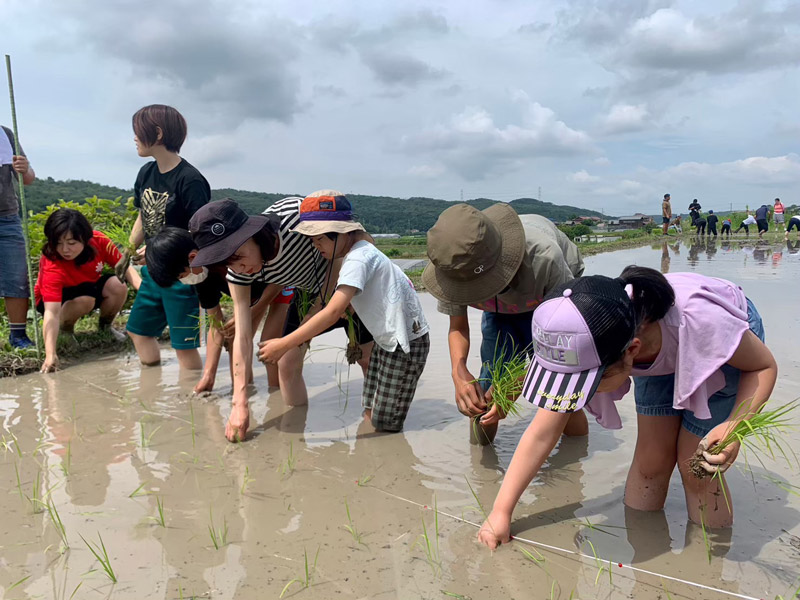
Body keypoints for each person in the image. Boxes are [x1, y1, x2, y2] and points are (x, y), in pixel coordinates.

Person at [477, 267, 776, 549]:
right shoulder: (597, 335)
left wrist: (734, 427)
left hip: (719, 348)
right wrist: (501, 512)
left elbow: (763, 366)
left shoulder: (702, 322)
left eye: (584, 383)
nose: (575, 394)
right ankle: (643, 549)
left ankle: (709, 566)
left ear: (630, 352)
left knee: (696, 465)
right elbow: (542, 432)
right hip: (656, 349)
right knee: (650, 461)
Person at [187, 197, 374, 442]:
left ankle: (372, 423)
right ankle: (296, 430)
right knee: (286, 364)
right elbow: (243, 336)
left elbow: (353, 238)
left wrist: (320, 306)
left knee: (366, 359)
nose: (240, 268)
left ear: (252, 234)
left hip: (351, 287)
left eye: (240, 255)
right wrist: (239, 404)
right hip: (308, 292)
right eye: (227, 262)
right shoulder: (238, 273)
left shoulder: (295, 218)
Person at [259, 191, 429, 432]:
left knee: (386, 420)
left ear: (341, 232)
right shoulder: (359, 251)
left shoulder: (356, 260)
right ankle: (370, 445)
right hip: (389, 338)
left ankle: (388, 458)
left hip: (404, 342)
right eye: (312, 239)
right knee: (371, 402)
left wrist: (284, 343)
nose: (315, 246)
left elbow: (332, 311)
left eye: (319, 239)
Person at [422, 204, 587, 445]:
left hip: (550, 301)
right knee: (484, 394)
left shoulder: (545, 259)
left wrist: (515, 385)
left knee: (559, 392)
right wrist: (458, 372)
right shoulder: (453, 267)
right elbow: (457, 326)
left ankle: (577, 457)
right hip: (500, 311)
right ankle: (481, 466)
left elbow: (563, 343)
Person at [144, 226, 294, 393]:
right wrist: (208, 374)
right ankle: (244, 393)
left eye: (181, 276)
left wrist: (249, 313)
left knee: (268, 343)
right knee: (233, 341)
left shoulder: (227, 255)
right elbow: (216, 324)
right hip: (250, 297)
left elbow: (278, 282)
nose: (183, 281)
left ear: (192, 257)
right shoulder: (200, 277)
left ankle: (277, 397)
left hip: (278, 283)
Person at [123, 104, 210, 368]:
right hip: (152, 272)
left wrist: (158, 253)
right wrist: (128, 250)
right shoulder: (146, 173)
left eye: (138, 131)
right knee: (138, 331)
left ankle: (191, 399)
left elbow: (201, 232)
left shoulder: (190, 180)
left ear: (158, 134)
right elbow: (143, 214)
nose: (135, 138)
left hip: (181, 274)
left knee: (183, 345)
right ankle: (151, 388)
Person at [34, 209, 139, 372]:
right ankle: (66, 330)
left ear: (85, 238)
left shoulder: (98, 240)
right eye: (58, 243)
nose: (65, 250)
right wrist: (50, 354)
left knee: (118, 285)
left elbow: (124, 267)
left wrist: (144, 289)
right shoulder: (52, 263)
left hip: (88, 286)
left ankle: (105, 327)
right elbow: (51, 312)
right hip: (57, 300)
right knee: (85, 300)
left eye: (71, 243)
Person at [1, 124, 36, 348]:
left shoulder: (4, 133)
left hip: (7, 217)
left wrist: (24, 168)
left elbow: (28, 178)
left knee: (17, 277)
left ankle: (18, 336)